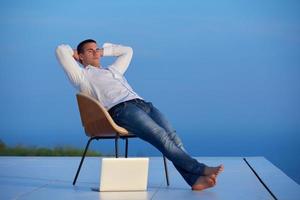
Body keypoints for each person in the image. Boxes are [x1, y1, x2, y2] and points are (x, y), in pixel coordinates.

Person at [56, 39, 224, 191]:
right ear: (81, 56)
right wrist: (73, 53)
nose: (95, 52)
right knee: (161, 137)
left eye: (97, 49)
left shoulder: (114, 70)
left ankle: (194, 180)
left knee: (173, 137)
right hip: (122, 110)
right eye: (90, 50)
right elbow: (60, 50)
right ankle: (199, 169)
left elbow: (127, 51)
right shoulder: (81, 76)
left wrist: (105, 51)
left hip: (143, 105)